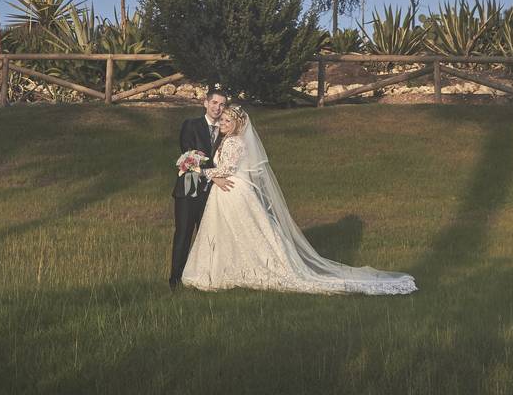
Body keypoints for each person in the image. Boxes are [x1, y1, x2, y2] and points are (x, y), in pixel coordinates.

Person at [181, 105, 417, 295]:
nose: (223, 124)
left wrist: (197, 170)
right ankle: (226, 270)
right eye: (222, 120)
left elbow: (227, 169)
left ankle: (230, 271)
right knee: (229, 232)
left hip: (231, 190)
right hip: (227, 191)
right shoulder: (228, 140)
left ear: (238, 124)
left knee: (237, 231)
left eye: (228, 121)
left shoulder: (233, 142)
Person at [169, 90, 232, 290]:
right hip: (189, 191)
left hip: (213, 194)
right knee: (183, 234)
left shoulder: (226, 131)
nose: (217, 108)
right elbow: (189, 156)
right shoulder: (191, 125)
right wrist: (214, 175)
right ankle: (175, 279)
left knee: (209, 235)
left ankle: (204, 277)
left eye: (222, 105)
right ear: (205, 103)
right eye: (214, 102)